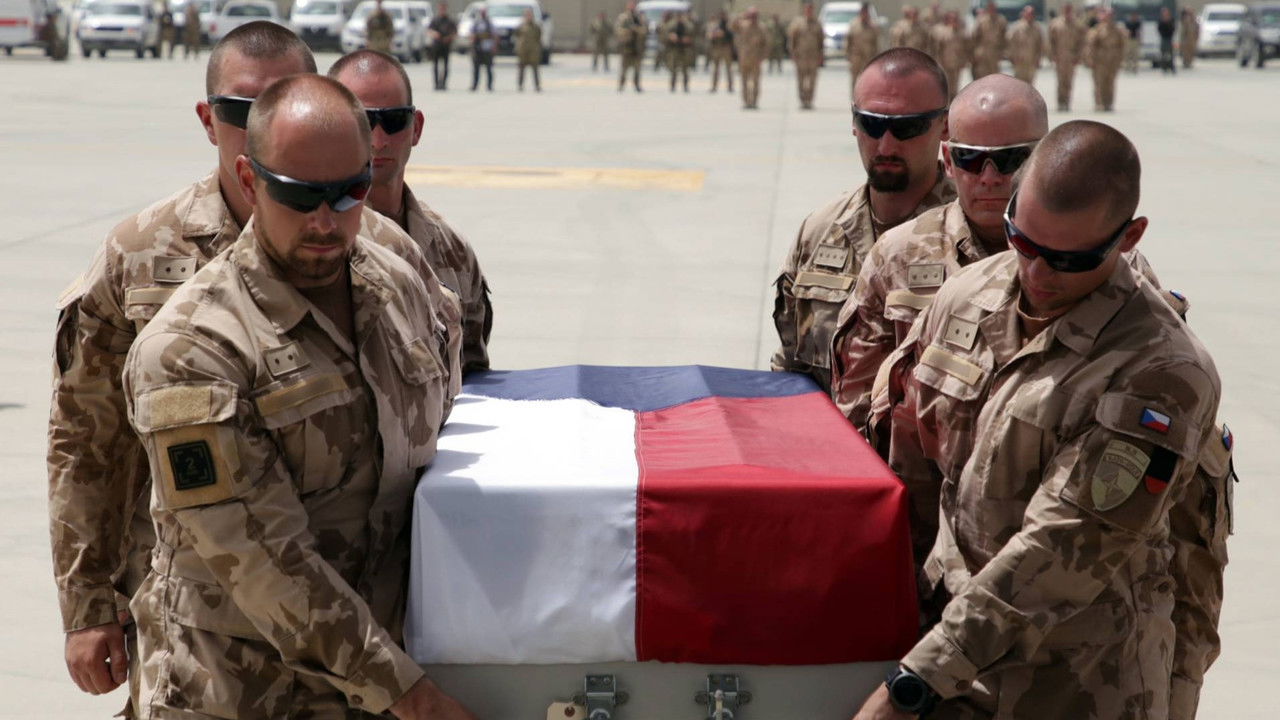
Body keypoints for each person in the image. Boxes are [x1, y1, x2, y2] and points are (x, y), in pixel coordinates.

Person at [46, 21, 459, 716]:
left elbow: (449, 421)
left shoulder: (396, 272)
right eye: (299, 195)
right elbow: (87, 442)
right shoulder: (180, 327)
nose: (326, 219)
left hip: (382, 665)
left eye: (350, 191)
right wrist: (88, 603)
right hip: (240, 681)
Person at [853, 120, 1226, 720]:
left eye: (1067, 259)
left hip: (1074, 687)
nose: (1037, 274)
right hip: (948, 665)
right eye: (1022, 242)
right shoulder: (968, 295)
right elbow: (910, 465)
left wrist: (916, 681)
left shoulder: (1161, 371)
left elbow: (1060, 551)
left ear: (1129, 236)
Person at [831, 75, 1048, 550]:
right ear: (948, 160)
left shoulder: (1086, 261)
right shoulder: (898, 256)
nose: (989, 177)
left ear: (1045, 159)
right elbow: (855, 417)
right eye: (970, 159)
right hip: (924, 540)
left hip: (1048, 544)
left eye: (1011, 159)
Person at [770, 48, 955, 391]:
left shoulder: (973, 237)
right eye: (872, 124)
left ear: (944, 125)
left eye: (907, 127)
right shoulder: (820, 232)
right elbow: (790, 370)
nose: (886, 146)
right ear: (854, 123)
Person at [331, 50, 493, 373]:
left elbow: (473, 379)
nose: (379, 140)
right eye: (362, 122)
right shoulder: (315, 244)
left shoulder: (452, 251)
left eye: (394, 121)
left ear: (416, 128)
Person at [1085, 8, 1126, 111]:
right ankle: (1099, 103)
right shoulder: (1097, 29)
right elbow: (1091, 45)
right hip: (1100, 61)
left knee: (1110, 83)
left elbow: (1122, 46)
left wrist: (1121, 60)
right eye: (1107, 16)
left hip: (1112, 61)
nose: (1109, 18)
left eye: (1111, 16)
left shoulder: (1118, 30)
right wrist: (1090, 59)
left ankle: (1109, 103)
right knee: (1099, 83)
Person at [1048, 2, 1086, 111]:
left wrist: (1079, 57)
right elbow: (1051, 41)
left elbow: (1082, 43)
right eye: (1066, 9)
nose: (1067, 12)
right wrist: (1052, 55)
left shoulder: (1078, 25)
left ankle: (1067, 102)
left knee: (1069, 81)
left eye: (1069, 9)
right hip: (1060, 57)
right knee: (1060, 81)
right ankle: (1060, 103)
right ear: (1062, 10)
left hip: (1071, 58)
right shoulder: (1055, 24)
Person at [788, 2, 824, 109]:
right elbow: (792, 40)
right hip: (801, 57)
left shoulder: (818, 24)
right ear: (805, 10)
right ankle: (803, 100)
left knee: (812, 80)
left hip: (813, 57)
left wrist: (821, 55)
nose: (809, 11)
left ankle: (809, 100)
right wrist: (792, 53)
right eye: (807, 9)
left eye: (811, 9)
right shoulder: (798, 24)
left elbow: (821, 41)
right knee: (801, 80)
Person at [930, 11, 969, 102]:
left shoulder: (961, 33)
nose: (954, 21)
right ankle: (945, 104)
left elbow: (965, 48)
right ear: (948, 20)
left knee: (954, 87)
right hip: (945, 63)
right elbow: (937, 49)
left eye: (955, 19)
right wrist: (938, 62)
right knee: (945, 85)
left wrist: (964, 61)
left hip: (956, 64)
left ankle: (953, 104)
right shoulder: (942, 32)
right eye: (952, 19)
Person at [734, 7, 768, 109]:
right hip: (744, 58)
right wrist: (741, 16)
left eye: (755, 16)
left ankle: (754, 101)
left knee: (755, 82)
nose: (753, 18)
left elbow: (766, 44)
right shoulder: (743, 25)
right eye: (751, 16)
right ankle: (746, 101)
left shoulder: (761, 28)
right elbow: (732, 26)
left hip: (756, 59)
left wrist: (763, 57)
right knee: (744, 81)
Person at [846, 4, 880, 95]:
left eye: (866, 12)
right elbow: (848, 41)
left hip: (868, 58)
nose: (864, 14)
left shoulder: (873, 26)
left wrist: (877, 58)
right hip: (856, 57)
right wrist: (848, 55)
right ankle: (854, 97)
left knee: (867, 79)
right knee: (854, 79)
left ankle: (865, 97)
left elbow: (876, 43)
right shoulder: (853, 25)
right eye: (863, 12)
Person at [969, 0, 1007, 79]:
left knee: (994, 77)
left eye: (993, 8)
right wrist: (973, 53)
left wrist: (1003, 52)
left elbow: (1004, 38)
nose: (991, 9)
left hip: (995, 53)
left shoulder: (1001, 20)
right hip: (982, 54)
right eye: (990, 7)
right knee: (981, 77)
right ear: (987, 8)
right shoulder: (981, 20)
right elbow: (974, 37)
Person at [1007, 4, 1044, 83]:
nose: (1030, 15)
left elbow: (1040, 45)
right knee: (1019, 84)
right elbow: (1010, 44)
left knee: (1030, 85)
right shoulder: (1016, 28)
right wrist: (1011, 58)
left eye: (1032, 13)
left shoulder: (1037, 28)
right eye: (1028, 13)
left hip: (1031, 62)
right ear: (1024, 14)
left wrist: (1039, 59)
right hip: (1019, 63)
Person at [615, 1, 647, 93]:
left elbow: (644, 30)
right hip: (626, 47)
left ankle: (637, 85)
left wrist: (636, 29)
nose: (632, 7)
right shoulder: (623, 18)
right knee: (624, 68)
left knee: (637, 69)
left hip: (637, 47)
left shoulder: (639, 18)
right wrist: (628, 31)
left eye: (633, 5)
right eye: (630, 5)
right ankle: (621, 85)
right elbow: (618, 30)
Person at [427, 2, 457, 89]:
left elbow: (455, 32)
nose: (442, 10)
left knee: (445, 66)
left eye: (444, 8)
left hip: (446, 46)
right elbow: (429, 30)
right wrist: (435, 34)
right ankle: (436, 84)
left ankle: (443, 84)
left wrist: (449, 38)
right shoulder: (435, 20)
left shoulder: (450, 21)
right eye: (441, 8)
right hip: (436, 46)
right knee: (435, 65)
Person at [514, 7, 542, 92]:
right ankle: (520, 85)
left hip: (533, 51)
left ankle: (537, 85)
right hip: (523, 51)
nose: (529, 17)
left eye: (530, 15)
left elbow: (538, 36)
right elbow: (517, 35)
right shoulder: (521, 26)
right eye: (527, 15)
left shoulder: (536, 27)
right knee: (521, 69)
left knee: (535, 69)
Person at [666, 10, 695, 92]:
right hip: (675, 49)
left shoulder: (689, 26)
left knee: (685, 69)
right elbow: (665, 35)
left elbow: (694, 36)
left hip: (685, 49)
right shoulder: (671, 25)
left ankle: (685, 86)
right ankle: (673, 86)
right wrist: (670, 37)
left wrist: (688, 39)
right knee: (673, 68)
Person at [707, 10, 735, 93]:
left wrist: (724, 33)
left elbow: (733, 36)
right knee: (716, 69)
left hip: (726, 48)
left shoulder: (729, 25)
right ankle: (714, 86)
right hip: (717, 48)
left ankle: (730, 86)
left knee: (729, 68)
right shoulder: (716, 26)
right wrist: (715, 35)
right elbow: (709, 36)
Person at [470, 6, 494, 91]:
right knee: (476, 68)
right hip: (477, 48)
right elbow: (471, 34)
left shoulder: (489, 23)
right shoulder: (476, 23)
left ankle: (489, 85)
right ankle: (475, 85)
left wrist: (494, 46)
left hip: (487, 48)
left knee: (489, 68)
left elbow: (494, 35)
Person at [1157, 5, 1177, 73]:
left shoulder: (1171, 20)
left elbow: (1173, 29)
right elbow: (1159, 29)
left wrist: (1168, 22)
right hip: (1164, 38)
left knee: (1170, 54)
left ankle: (1171, 67)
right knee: (1163, 54)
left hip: (1169, 38)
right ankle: (1164, 67)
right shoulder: (1161, 20)